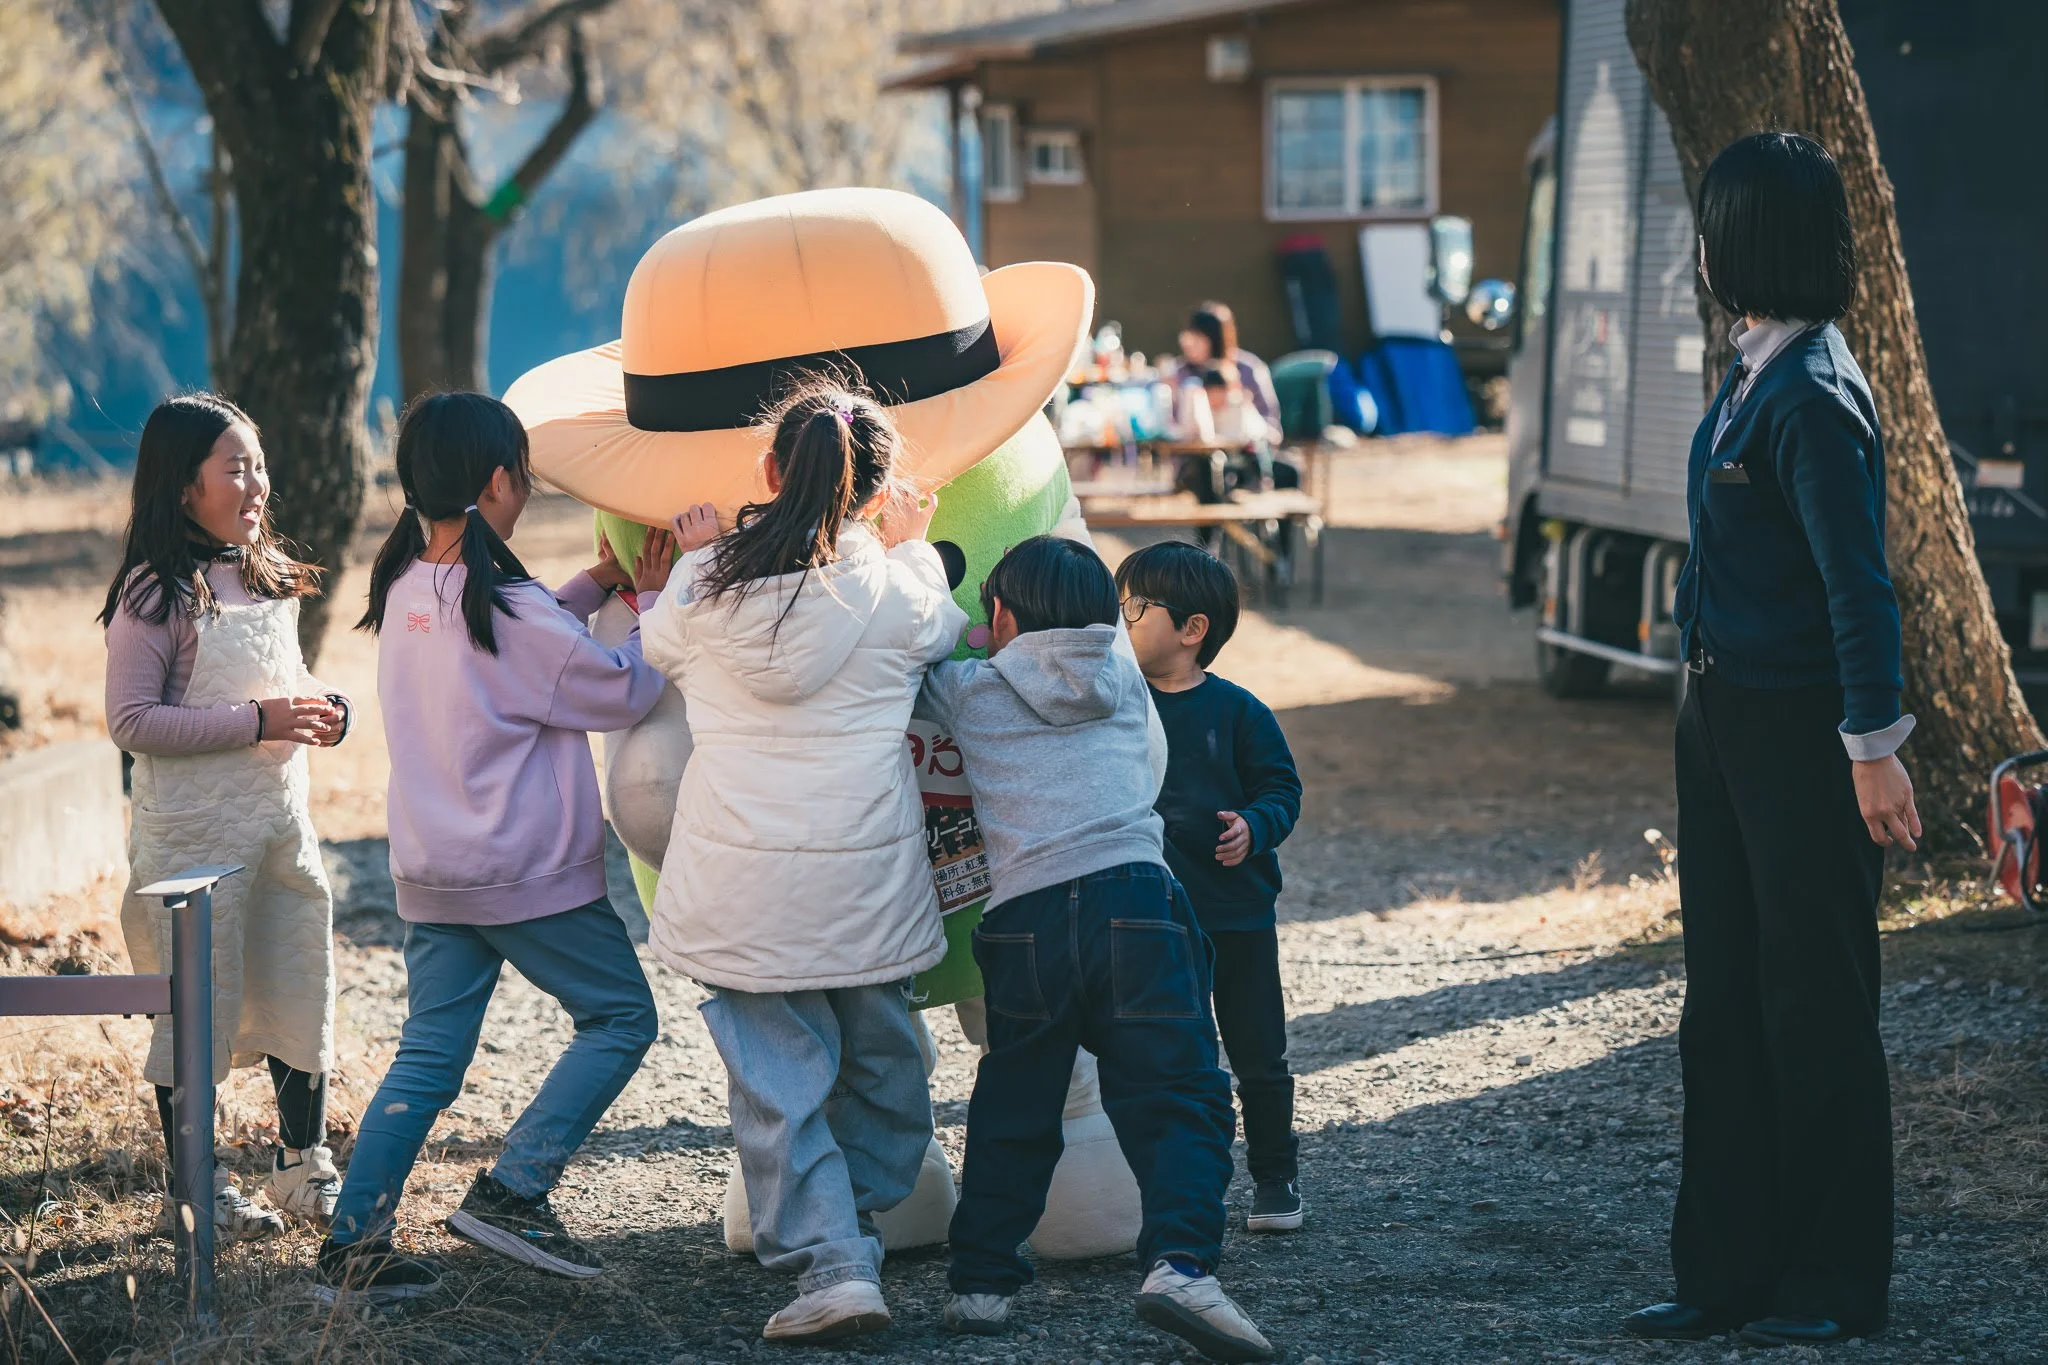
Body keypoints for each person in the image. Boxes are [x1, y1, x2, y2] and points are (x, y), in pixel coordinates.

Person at [1624, 132, 1915, 1349]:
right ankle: (1725, 1271)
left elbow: (1858, 588)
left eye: (1712, 224)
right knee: (1725, 1000)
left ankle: (1832, 1281)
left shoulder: (1813, 394)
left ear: (1746, 240)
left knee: (1814, 1003)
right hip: (1723, 718)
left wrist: (1871, 746)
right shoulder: (1754, 369)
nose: (1699, 247)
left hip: (1803, 732)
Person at [312, 392, 672, 1304]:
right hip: (525, 873)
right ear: (499, 481)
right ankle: (513, 1190)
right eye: (524, 476)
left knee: (428, 1056)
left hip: (434, 869)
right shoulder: (503, 604)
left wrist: (595, 586)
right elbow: (620, 691)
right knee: (624, 1016)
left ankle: (354, 1244)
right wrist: (665, 595)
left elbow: (522, 640)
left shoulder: (404, 585)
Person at [639, 386, 968, 1344]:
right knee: (885, 1065)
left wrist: (697, 552)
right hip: (863, 876)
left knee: (777, 1085)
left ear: (769, 474)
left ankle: (829, 1256)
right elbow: (944, 634)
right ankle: (845, 1230)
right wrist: (909, 544)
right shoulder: (904, 590)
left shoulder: (704, 586)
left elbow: (655, 647)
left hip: (739, 880)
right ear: (874, 491)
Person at [920, 536, 1275, 1364]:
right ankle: (1183, 1266)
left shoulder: (970, 691)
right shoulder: (1124, 684)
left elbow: (927, 643)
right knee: (1181, 1094)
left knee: (1017, 1100)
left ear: (1003, 614)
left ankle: (981, 1284)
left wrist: (956, 608)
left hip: (1026, 916)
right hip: (1135, 900)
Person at [101, 393, 349, 1240]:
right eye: (235, 467)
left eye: (258, 463)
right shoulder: (154, 593)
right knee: (198, 1011)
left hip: (278, 827)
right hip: (195, 847)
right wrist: (260, 721)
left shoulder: (263, 571)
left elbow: (290, 680)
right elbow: (131, 721)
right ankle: (195, 1191)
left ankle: (302, 1164)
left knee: (296, 978)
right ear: (182, 487)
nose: (256, 483)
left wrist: (323, 708)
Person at [1115, 543, 1303, 1234]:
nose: (1121, 617)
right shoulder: (1118, 703)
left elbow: (1282, 788)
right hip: (1154, 918)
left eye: (1135, 606)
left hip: (1237, 913)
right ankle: (1183, 1184)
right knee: (1173, 1059)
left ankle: (1276, 1175)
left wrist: (1255, 827)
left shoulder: (1239, 711)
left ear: (1192, 630)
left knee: (1258, 1051)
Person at [1171, 302, 1280, 427]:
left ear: (1215, 339)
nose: (1187, 343)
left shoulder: (1247, 369)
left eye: (1197, 338)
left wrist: (1240, 401)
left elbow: (1271, 422)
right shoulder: (1179, 372)